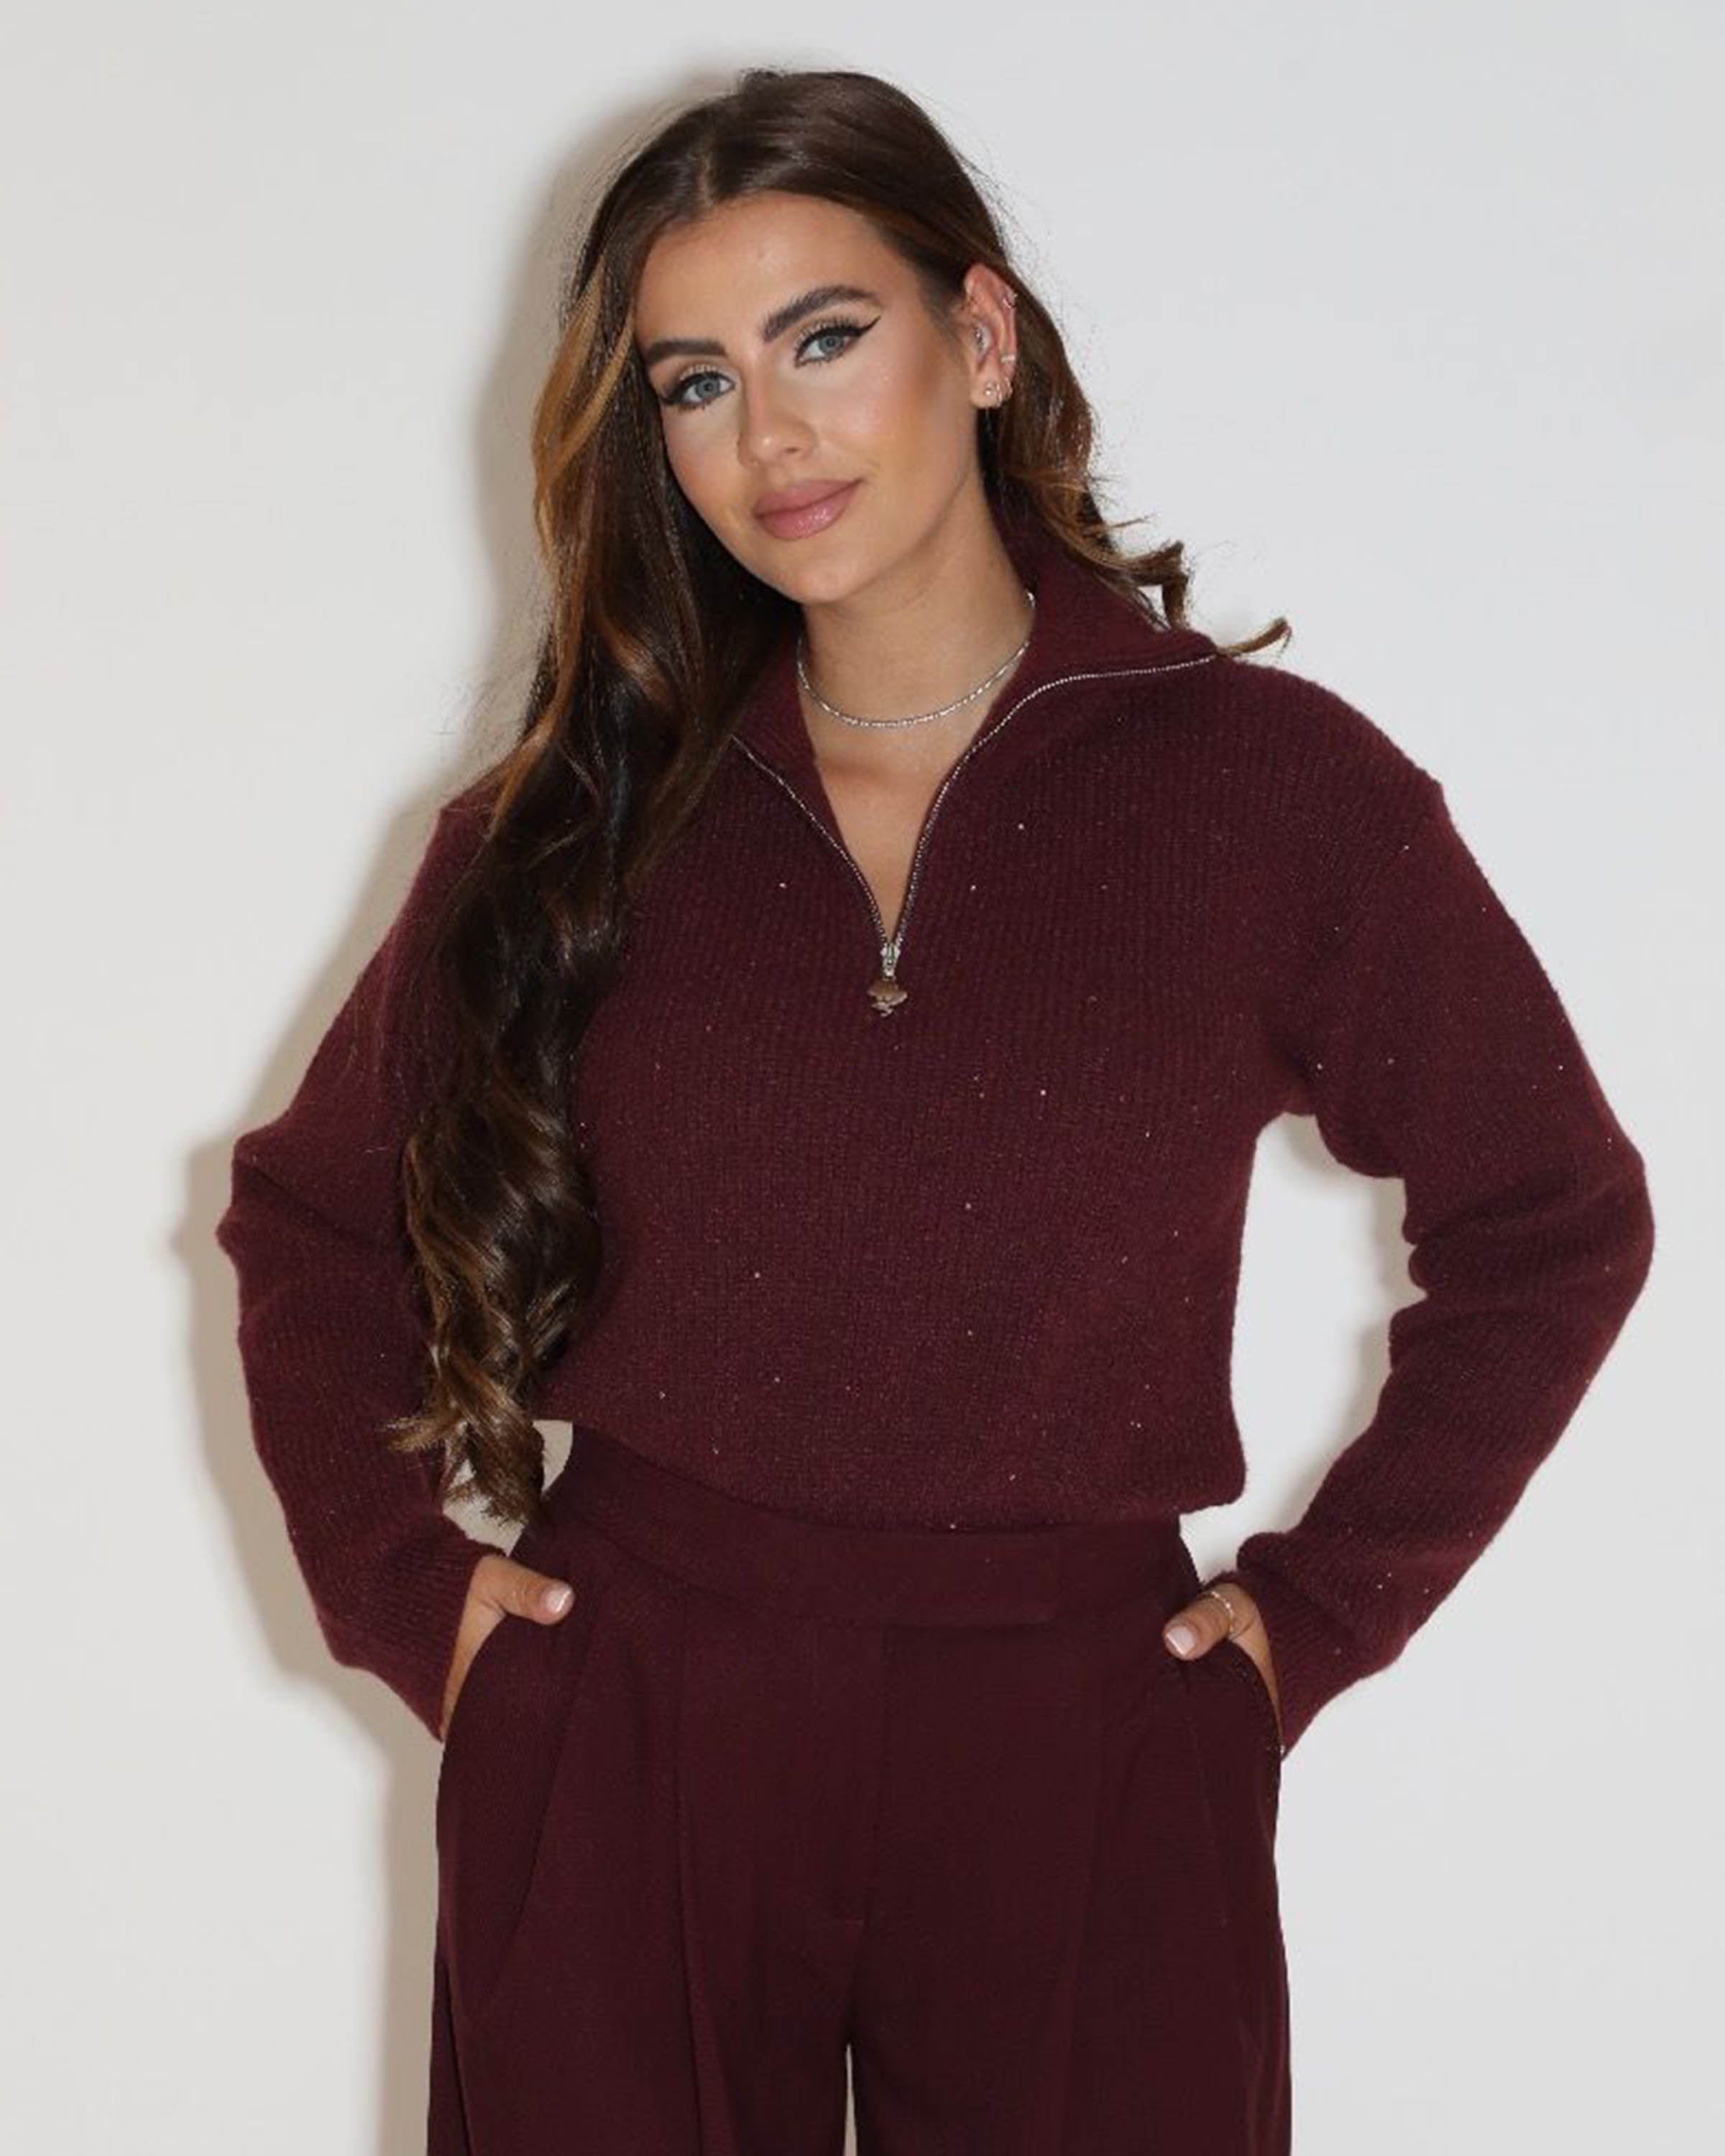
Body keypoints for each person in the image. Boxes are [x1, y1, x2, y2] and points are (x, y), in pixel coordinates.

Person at [213, 65, 1655, 2156]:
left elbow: (1554, 1219)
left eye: (825, 338)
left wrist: (1318, 1616)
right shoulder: (571, 823)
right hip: (640, 1706)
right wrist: (400, 1586)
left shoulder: (1271, 793)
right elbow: (314, 1221)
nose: (770, 436)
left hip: (1089, 1730)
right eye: (696, 383)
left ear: (980, 337)